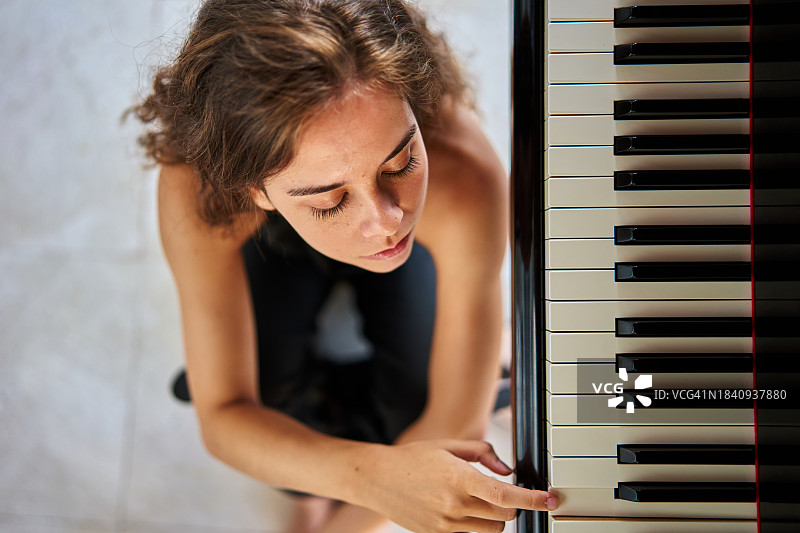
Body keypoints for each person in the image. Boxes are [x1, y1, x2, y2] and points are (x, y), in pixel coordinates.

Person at [133, 0, 558, 531]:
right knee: (273, 415)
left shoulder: (464, 178)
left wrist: (352, 495)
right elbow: (225, 415)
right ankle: (487, 357)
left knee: (412, 416)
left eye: (401, 161)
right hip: (265, 236)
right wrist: (365, 478)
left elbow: (449, 425)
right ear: (251, 189)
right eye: (328, 200)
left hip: (429, 239)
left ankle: (483, 350)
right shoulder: (202, 189)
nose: (387, 222)